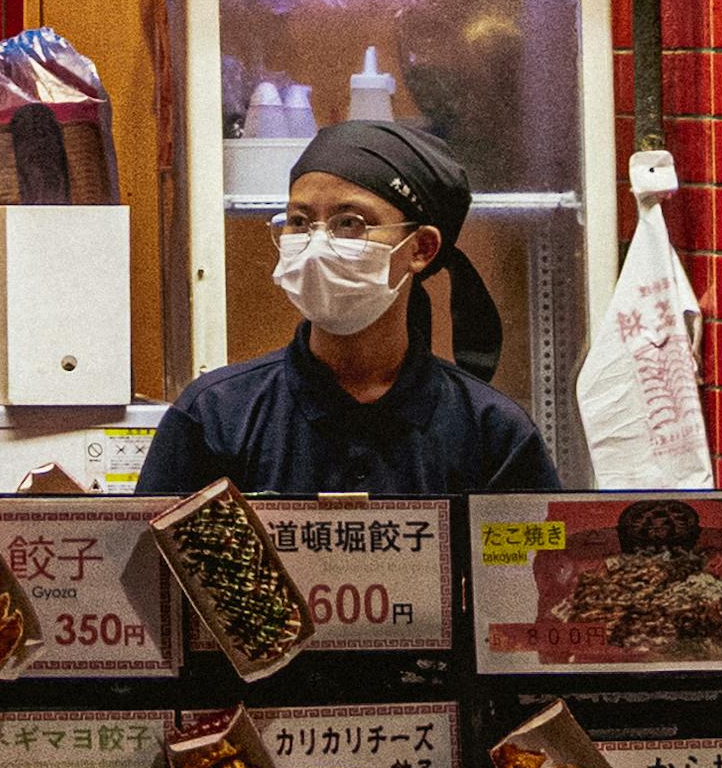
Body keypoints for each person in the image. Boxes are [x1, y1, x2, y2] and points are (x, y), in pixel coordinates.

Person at [137, 112, 562, 511]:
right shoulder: (215, 416)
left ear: (421, 248)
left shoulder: (491, 432)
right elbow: (153, 580)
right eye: (299, 221)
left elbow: (536, 580)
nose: (317, 244)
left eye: (349, 223)